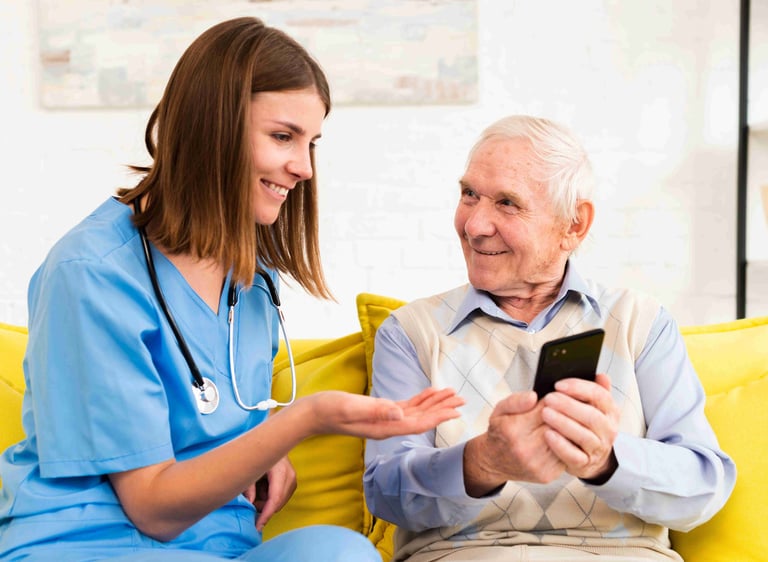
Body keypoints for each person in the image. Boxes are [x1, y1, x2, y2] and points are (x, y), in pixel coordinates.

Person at [0, 17, 464, 562]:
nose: (304, 168)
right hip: (93, 545)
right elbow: (151, 506)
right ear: (210, 128)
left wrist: (258, 442)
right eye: (283, 136)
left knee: (344, 551)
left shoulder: (250, 284)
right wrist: (301, 422)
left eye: (311, 142)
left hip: (221, 545)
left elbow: (214, 411)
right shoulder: (91, 274)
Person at [363, 115, 736, 562]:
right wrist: (482, 463)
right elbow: (385, 491)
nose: (475, 225)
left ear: (574, 225)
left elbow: (703, 485)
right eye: (469, 195)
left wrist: (606, 460)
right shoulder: (411, 333)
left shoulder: (641, 323)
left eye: (507, 203)